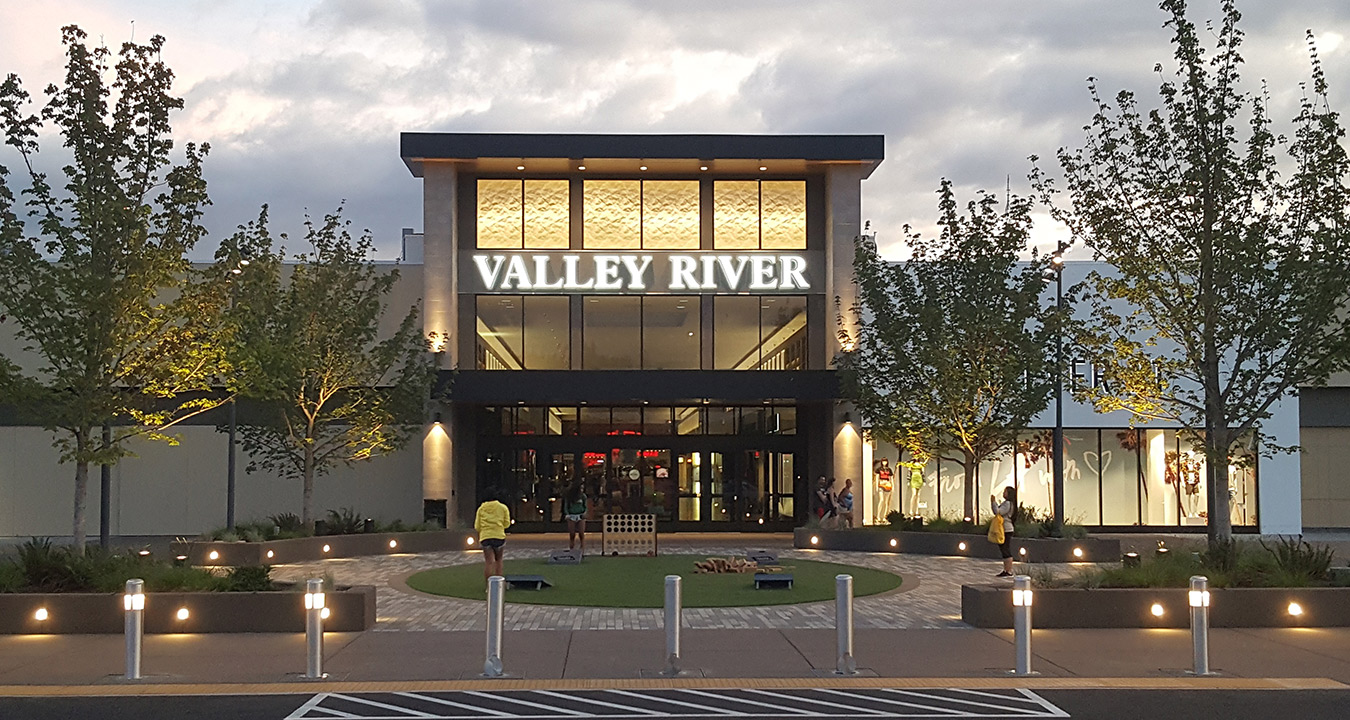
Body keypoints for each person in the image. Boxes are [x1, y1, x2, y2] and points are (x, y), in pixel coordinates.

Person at [474, 486, 511, 584]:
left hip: (485, 537)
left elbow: (477, 526)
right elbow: (507, 523)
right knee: (499, 561)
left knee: (489, 562)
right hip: (499, 536)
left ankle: (488, 586)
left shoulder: (481, 509)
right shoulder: (503, 507)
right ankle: (499, 585)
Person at [991, 485, 1017, 577]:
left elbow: (998, 512)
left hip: (1006, 529)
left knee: (1005, 549)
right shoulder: (1007, 503)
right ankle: (1006, 569)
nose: (1003, 493)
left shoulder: (1007, 504)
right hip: (1005, 528)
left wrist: (993, 502)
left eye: (1005, 492)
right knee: (1004, 549)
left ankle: (1008, 570)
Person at [563, 479, 588, 555]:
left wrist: (584, 513)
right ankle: (571, 548)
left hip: (580, 515)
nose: (582, 490)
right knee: (572, 534)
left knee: (581, 533)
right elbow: (566, 506)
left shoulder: (583, 496)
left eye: (583, 488)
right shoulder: (569, 497)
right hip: (571, 515)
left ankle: (582, 550)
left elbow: (585, 506)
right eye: (580, 488)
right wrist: (567, 514)